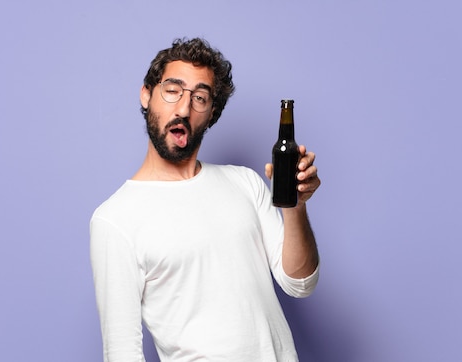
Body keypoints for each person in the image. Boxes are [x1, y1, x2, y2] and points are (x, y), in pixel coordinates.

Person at [90, 37, 321, 362]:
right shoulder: (114, 219)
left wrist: (296, 205)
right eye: (172, 90)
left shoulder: (245, 183)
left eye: (199, 98)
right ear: (146, 95)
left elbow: (300, 283)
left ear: (212, 113)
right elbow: (121, 352)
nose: (183, 108)